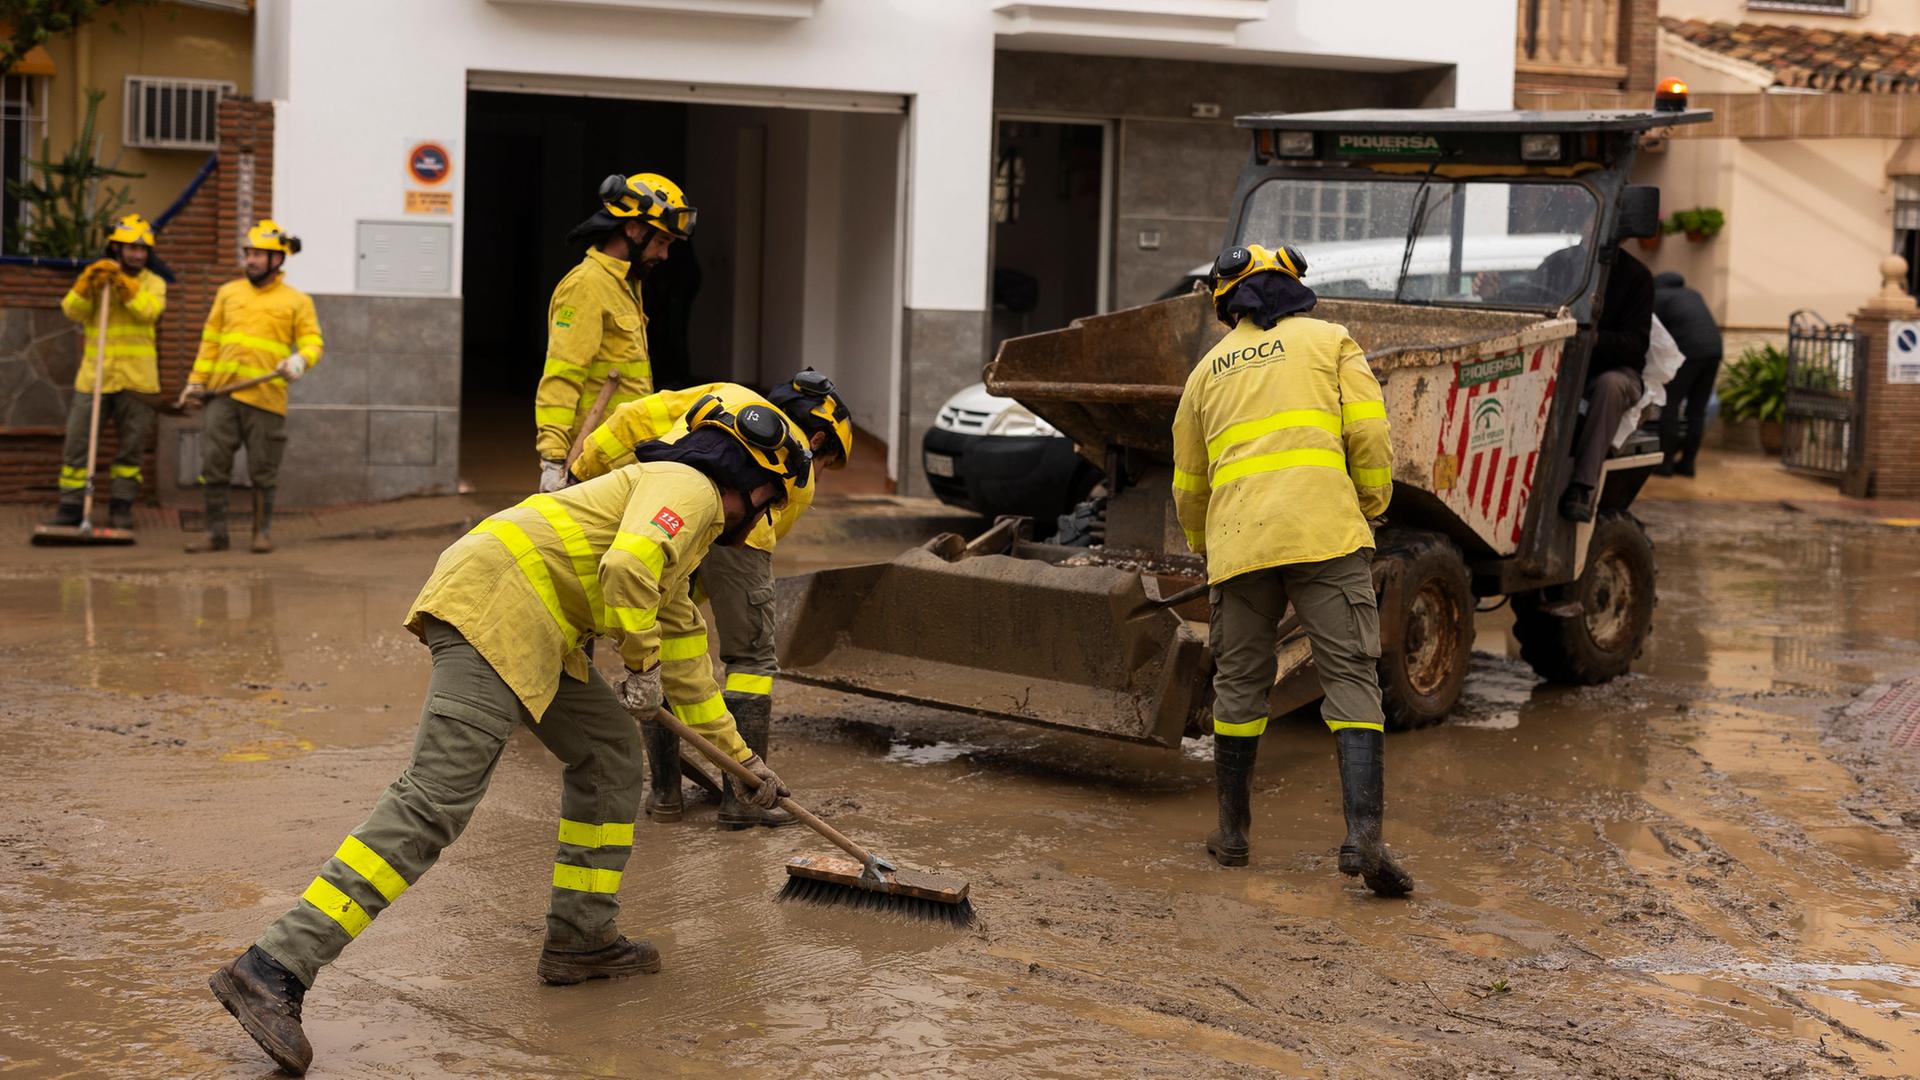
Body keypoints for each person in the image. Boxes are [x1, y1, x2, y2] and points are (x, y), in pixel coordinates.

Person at [207, 396, 810, 1076]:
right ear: (753, 481)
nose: (765, 516)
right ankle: (275, 965)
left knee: (610, 755)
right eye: (771, 500)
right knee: (434, 801)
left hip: (541, 629)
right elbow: (625, 571)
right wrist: (641, 667)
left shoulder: (686, 538)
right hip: (496, 606)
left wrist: (743, 763)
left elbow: (690, 667)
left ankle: (582, 937)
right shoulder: (690, 487)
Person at [1171, 243, 1412, 898]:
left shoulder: (1205, 372)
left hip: (1240, 545)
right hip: (1323, 533)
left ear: (1227, 304)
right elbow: (1370, 436)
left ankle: (1233, 837)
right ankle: (1363, 836)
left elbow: (1189, 484)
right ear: (1294, 286)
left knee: (1239, 686)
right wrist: (1369, 505)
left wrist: (1208, 545)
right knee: (1351, 677)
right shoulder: (1332, 342)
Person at [571, 369, 854, 828]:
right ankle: (742, 799)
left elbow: (628, 419)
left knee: (661, 648)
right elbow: (746, 537)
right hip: (733, 540)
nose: (819, 473)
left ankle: (665, 795)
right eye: (827, 463)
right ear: (819, 438)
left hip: (662, 516)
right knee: (750, 661)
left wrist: (578, 473)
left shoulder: (725, 394)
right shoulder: (797, 471)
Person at [535, 172, 695, 493]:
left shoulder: (626, 285)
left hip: (621, 452)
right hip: (590, 459)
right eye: (661, 242)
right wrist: (553, 459)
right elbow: (562, 376)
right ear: (633, 229)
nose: (664, 255)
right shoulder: (586, 286)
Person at [183, 220, 323, 554]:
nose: (251, 260)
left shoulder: (297, 301)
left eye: (259, 254)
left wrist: (299, 361)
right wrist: (196, 380)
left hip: (265, 398)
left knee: (264, 469)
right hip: (222, 394)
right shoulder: (228, 293)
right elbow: (210, 340)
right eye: (249, 253)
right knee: (213, 464)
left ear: (277, 259)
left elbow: (313, 342)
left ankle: (261, 533)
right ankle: (215, 534)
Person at [47, 213, 166, 531]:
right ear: (116, 248)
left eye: (143, 250)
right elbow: (72, 311)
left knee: (131, 449)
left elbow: (148, 312)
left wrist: (123, 285)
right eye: (131, 249)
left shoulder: (154, 283)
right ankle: (71, 507)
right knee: (77, 444)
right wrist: (87, 283)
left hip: (138, 381)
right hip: (95, 378)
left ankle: (121, 506)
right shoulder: (97, 280)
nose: (138, 255)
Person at [1563, 249, 1653, 520]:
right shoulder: (1561, 261)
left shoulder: (1635, 275)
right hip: (1564, 365)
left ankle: (1582, 486)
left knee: (1610, 385)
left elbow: (1636, 344)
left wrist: (1595, 339)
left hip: (1615, 369)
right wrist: (1493, 291)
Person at [1652, 271, 1722, 477]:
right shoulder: (1693, 294)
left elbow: (1653, 331)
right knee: (1696, 410)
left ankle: (1665, 463)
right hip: (1714, 350)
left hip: (1689, 352)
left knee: (1670, 405)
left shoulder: (1660, 296)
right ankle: (1688, 463)